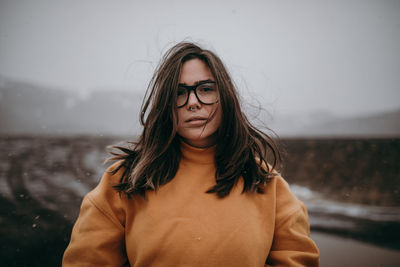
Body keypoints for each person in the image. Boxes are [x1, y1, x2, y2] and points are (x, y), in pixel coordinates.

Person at [62, 42, 319, 266]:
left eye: (205, 89)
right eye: (179, 93)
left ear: (225, 96)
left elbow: (297, 258)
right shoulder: (125, 181)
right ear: (166, 105)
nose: (193, 102)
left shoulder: (265, 182)